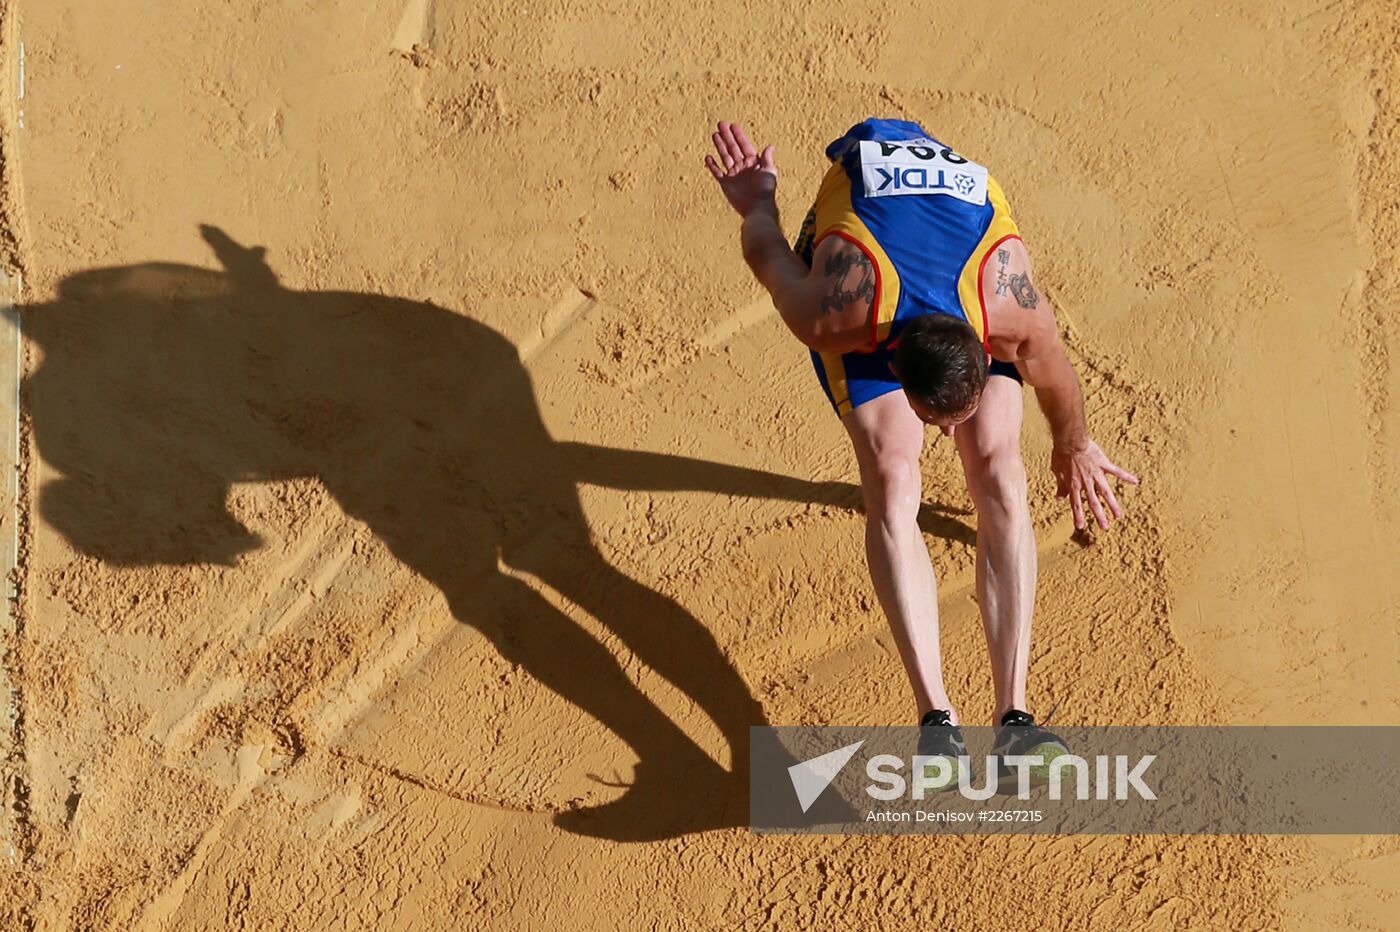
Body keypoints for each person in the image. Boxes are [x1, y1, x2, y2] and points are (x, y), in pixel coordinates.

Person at [704, 118, 1139, 785]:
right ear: (897, 371)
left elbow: (1054, 373)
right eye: (933, 417)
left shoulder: (1010, 303)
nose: (944, 434)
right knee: (892, 474)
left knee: (1000, 470)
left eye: (950, 417)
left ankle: (1014, 722)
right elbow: (768, 256)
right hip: (874, 274)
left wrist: (1075, 446)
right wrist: (758, 201)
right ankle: (935, 717)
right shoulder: (836, 309)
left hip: (959, 274)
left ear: (990, 353)